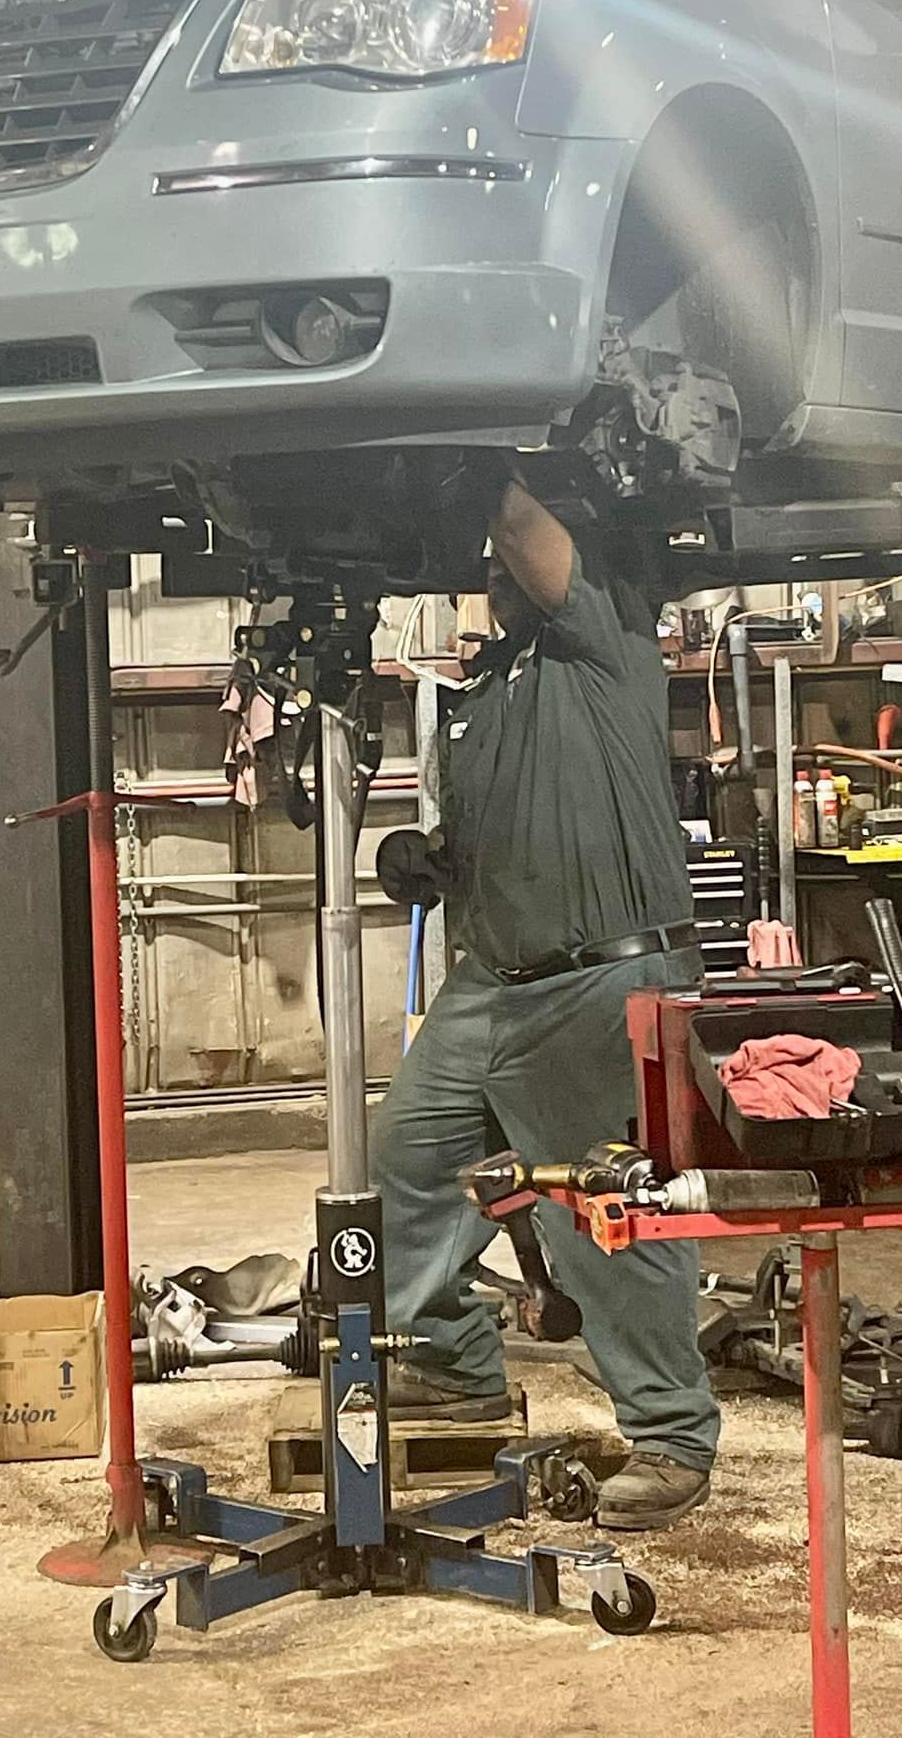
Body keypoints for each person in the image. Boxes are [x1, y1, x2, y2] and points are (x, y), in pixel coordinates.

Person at [372, 465, 719, 1531]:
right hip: (494, 980)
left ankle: (670, 1434)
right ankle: (448, 1353)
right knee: (411, 1158)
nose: (498, 571)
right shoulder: (484, 695)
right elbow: (490, 843)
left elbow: (523, 522)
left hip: (601, 978)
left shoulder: (606, 638)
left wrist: (464, 438)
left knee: (605, 1214)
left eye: (511, 562)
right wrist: (422, 861)